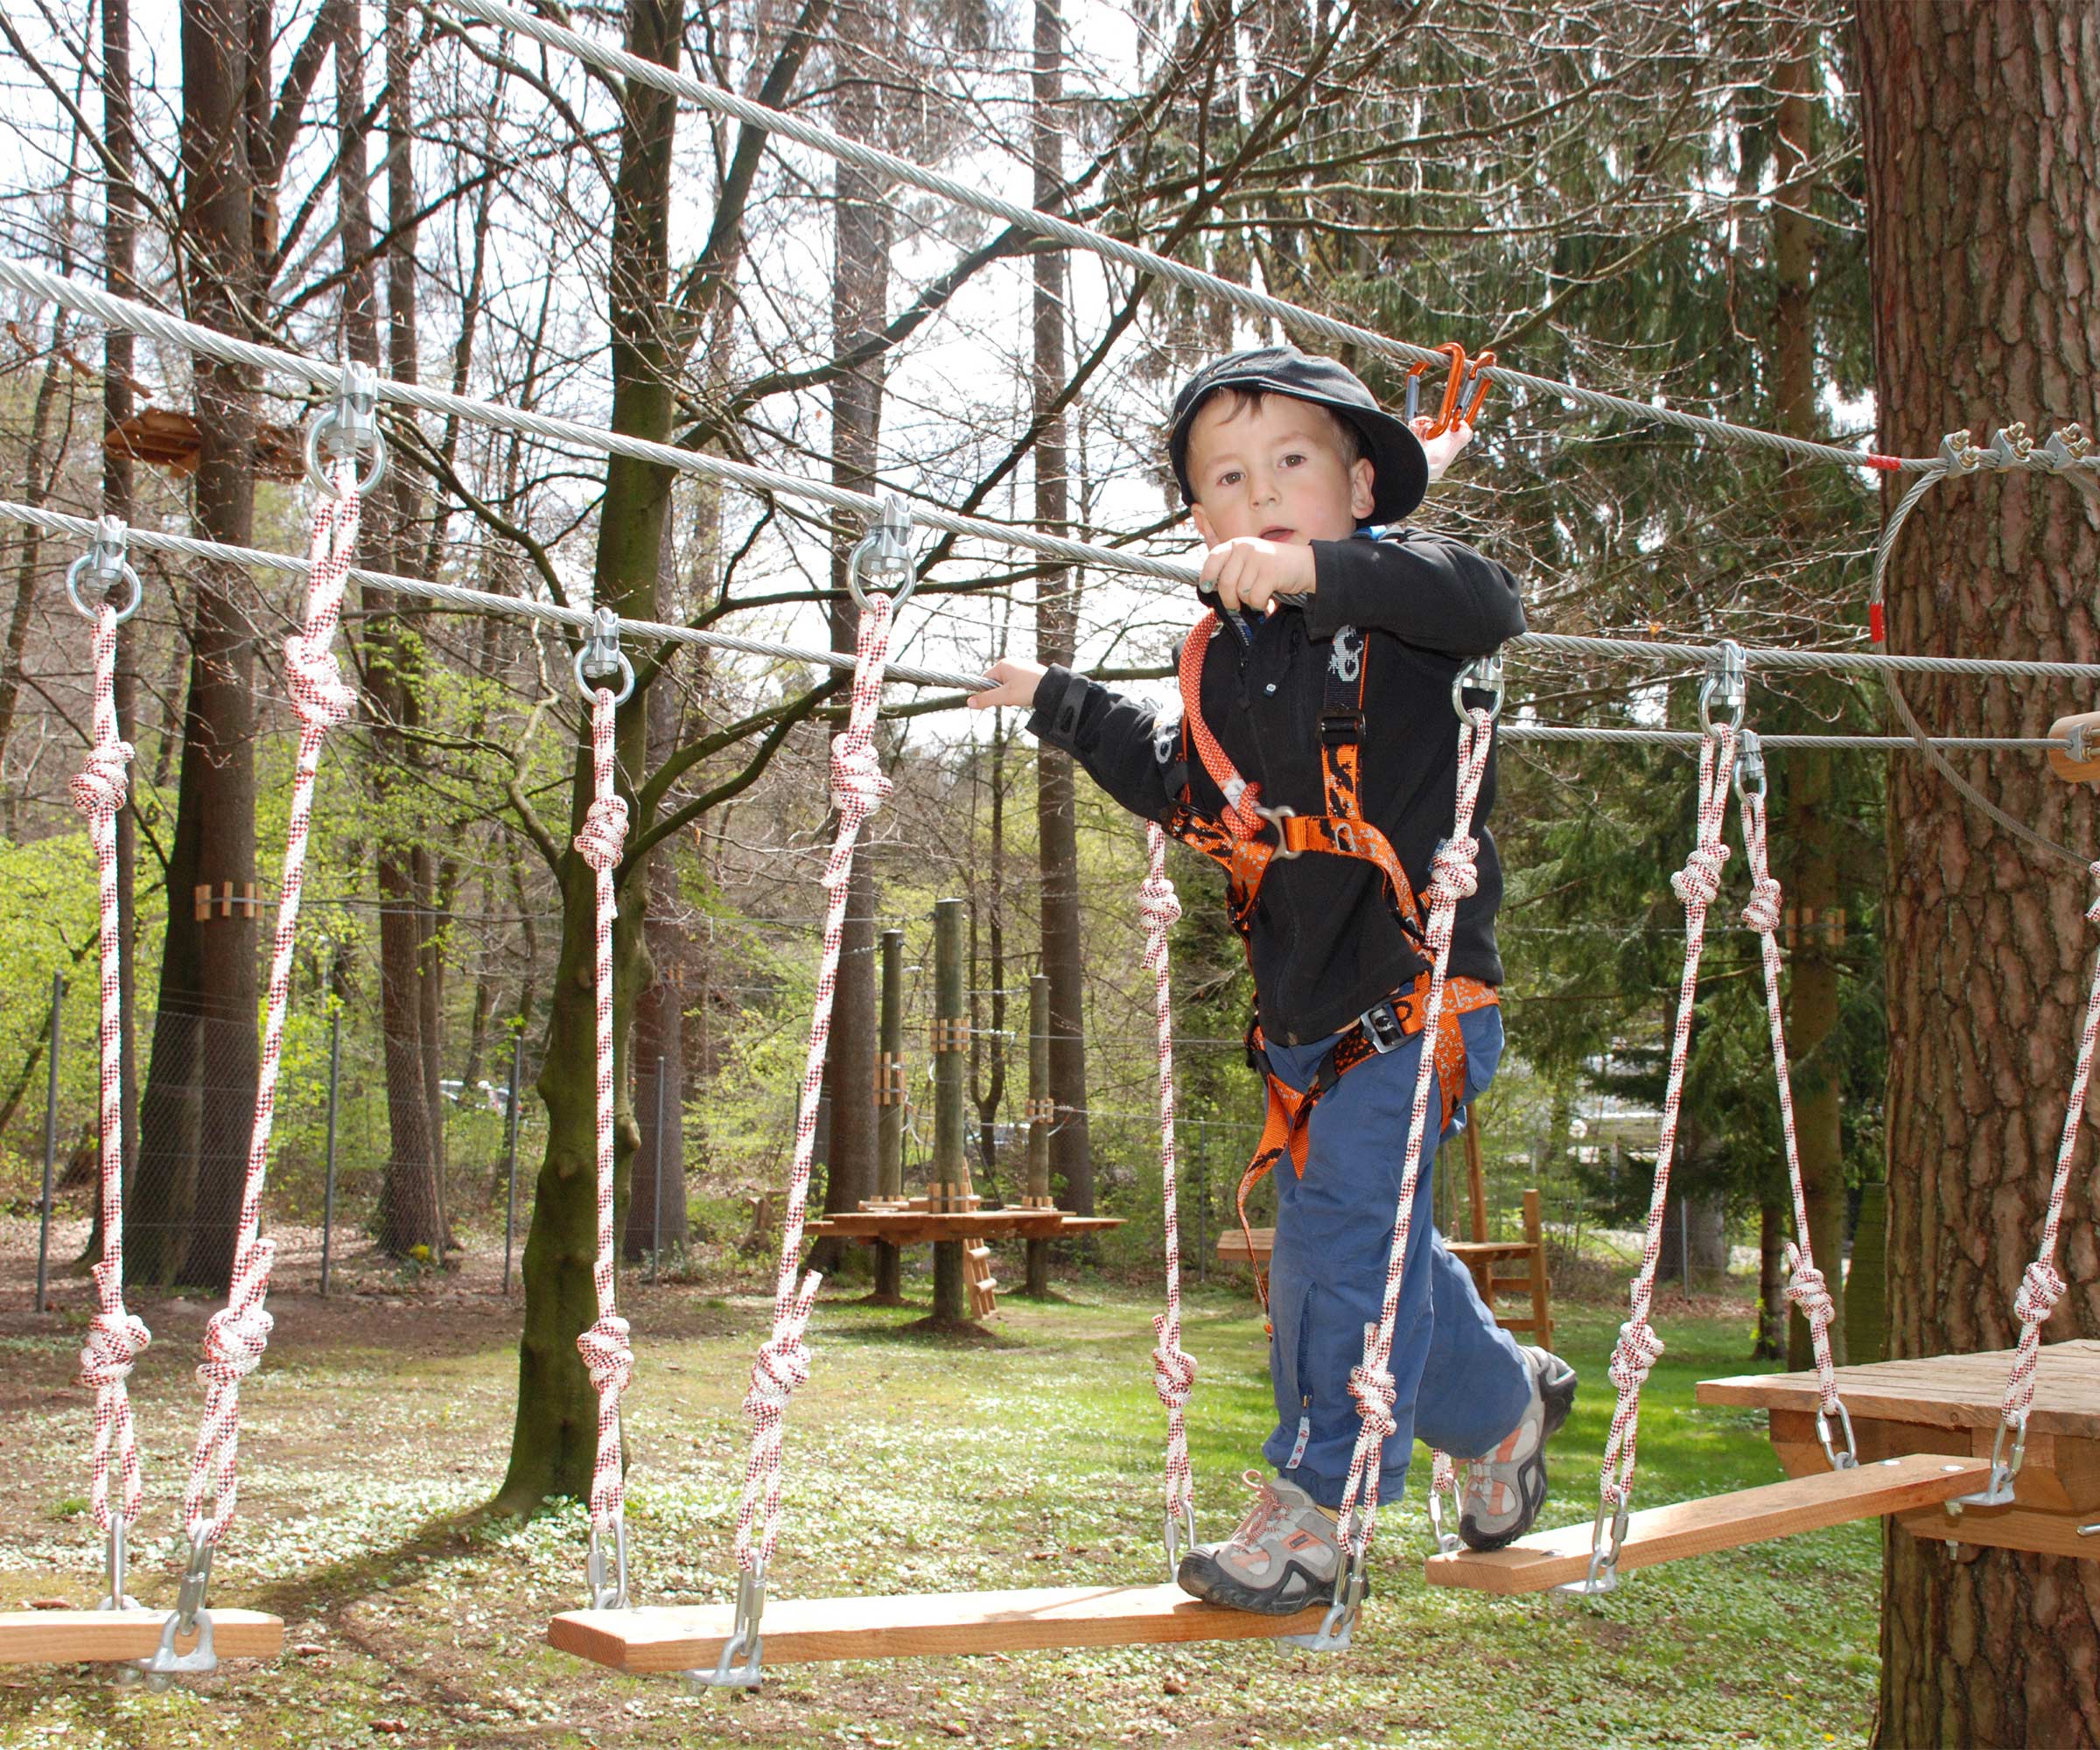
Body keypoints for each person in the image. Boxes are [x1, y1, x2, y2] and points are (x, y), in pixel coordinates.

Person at [968, 346, 1577, 1615]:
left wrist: (1317, 571)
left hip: (1422, 1005)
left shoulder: (1409, 618)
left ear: (1361, 485)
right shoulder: (1227, 666)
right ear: (1201, 522)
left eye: (1293, 465)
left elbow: (1488, 599)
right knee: (1376, 1255)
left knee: (1335, 1256)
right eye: (1229, 481)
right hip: (1309, 1032)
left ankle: (1316, 1509)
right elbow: (1183, 784)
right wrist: (1057, 701)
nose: (1262, 497)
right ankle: (1507, 1405)